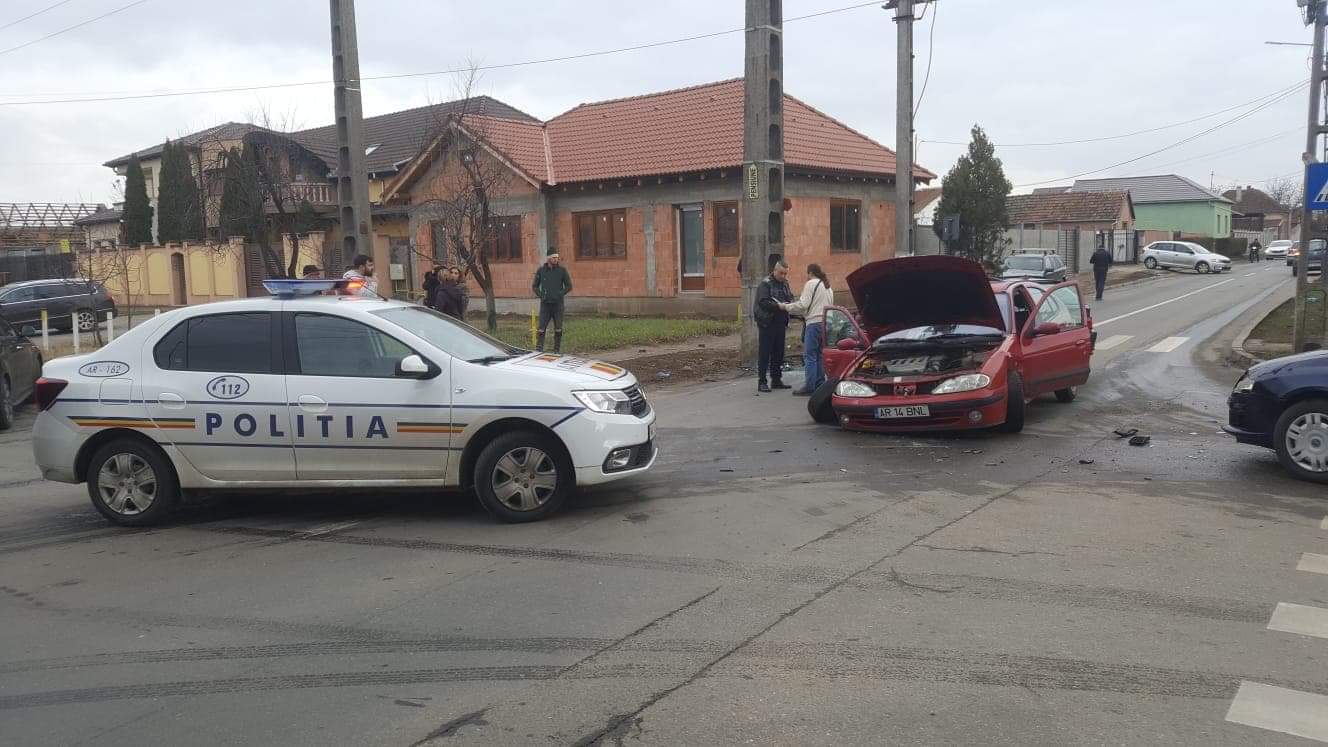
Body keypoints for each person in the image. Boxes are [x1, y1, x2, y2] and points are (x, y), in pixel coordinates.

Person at [780, 263, 834, 396]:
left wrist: (785, 307)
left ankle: (809, 386)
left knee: (809, 356)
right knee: (819, 355)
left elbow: (803, 305)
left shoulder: (811, 284)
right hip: (827, 323)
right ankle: (820, 384)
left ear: (810, 273)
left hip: (814, 323)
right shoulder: (828, 287)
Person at [753, 260, 794, 393]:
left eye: (785, 273)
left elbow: (790, 297)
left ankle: (776, 379)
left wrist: (790, 304)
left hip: (780, 323)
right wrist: (778, 306)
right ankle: (762, 381)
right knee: (765, 353)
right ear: (775, 270)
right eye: (781, 273)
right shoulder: (765, 284)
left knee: (778, 352)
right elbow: (763, 302)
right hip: (767, 323)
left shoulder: (785, 284)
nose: (783, 276)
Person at [532, 248, 572, 353]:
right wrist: (542, 295)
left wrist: (559, 294)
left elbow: (569, 286)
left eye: (557, 257)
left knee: (558, 328)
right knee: (541, 328)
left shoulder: (562, 271)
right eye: (554, 257)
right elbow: (534, 286)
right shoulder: (541, 271)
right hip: (545, 305)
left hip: (558, 306)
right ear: (549, 258)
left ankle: (556, 350)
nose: (556, 259)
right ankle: (539, 349)